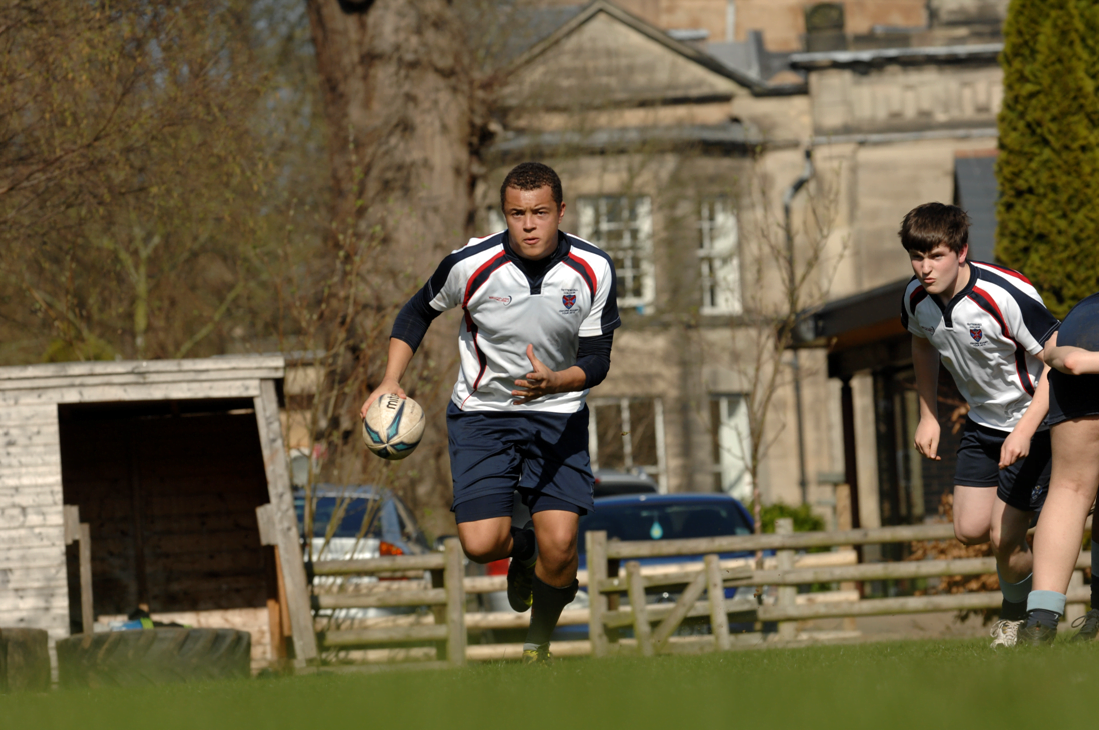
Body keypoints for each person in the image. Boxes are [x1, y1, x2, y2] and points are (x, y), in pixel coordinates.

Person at [360, 162, 620, 664]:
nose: (528, 224)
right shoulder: (470, 264)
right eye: (517, 214)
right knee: (480, 545)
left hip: (559, 414)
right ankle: (521, 553)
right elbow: (417, 312)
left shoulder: (594, 268)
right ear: (503, 214)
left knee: (562, 546)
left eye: (540, 213)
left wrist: (554, 381)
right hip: (483, 415)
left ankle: (536, 647)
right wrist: (391, 379)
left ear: (560, 212)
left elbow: (598, 360)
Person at [899, 202, 1059, 648]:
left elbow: (1056, 360)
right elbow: (923, 344)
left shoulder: (1004, 294)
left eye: (936, 256)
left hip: (1038, 426)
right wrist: (927, 414)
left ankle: (1019, 619)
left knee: (1001, 536)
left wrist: (1026, 429)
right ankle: (1039, 522)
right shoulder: (915, 297)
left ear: (962, 251)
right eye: (917, 256)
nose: (925, 269)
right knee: (969, 531)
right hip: (982, 426)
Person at [1020, 293, 1099, 644]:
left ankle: (1040, 621)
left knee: (1069, 489)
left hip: (1080, 331)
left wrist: (1063, 356)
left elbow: (1062, 357)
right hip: (1078, 346)